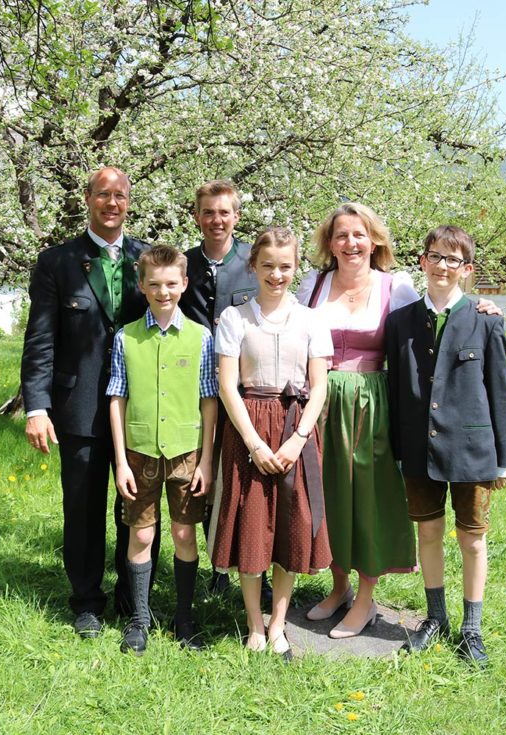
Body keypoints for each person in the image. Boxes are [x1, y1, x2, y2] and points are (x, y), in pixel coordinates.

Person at [21, 167, 159, 637]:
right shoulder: (57, 261)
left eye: (120, 195)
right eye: (104, 194)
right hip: (77, 405)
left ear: (129, 201)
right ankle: (86, 602)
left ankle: (133, 599)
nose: (112, 203)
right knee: (81, 507)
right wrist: (37, 407)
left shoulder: (148, 259)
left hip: (142, 408)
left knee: (136, 505)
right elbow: (41, 340)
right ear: (88, 199)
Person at [385, 225, 506, 667]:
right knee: (429, 532)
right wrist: (399, 451)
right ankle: (435, 618)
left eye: (453, 260)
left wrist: (503, 460)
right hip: (420, 451)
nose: (443, 266)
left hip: (473, 451)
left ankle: (471, 627)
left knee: (473, 540)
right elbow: (396, 389)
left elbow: (500, 393)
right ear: (422, 261)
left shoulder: (486, 320)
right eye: (435, 256)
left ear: (467, 269)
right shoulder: (399, 322)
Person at [296, 202, 419, 638]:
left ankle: (366, 600)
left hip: (372, 404)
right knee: (328, 496)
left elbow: (429, 328)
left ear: (375, 240)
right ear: (330, 243)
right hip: (322, 402)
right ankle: (340, 586)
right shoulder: (312, 285)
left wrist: (478, 307)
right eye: (342, 235)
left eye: (359, 234)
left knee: (368, 498)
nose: (351, 243)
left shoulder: (396, 287)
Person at [211, 227, 333, 660]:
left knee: (288, 527)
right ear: (253, 266)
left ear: (296, 266)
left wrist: (298, 440)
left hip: (294, 430)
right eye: (267, 266)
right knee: (251, 527)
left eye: (285, 266)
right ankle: (253, 624)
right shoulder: (234, 318)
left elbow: (319, 386)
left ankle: (278, 623)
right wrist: (253, 444)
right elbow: (228, 385)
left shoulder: (313, 320)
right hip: (247, 428)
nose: (276, 274)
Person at [107, 245, 218, 655]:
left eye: (172, 283)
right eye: (154, 284)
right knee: (141, 533)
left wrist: (207, 460)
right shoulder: (126, 338)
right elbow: (117, 398)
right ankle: (139, 618)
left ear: (185, 284)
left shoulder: (201, 337)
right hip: (138, 453)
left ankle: (184, 616)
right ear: (141, 285)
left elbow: (210, 401)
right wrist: (120, 461)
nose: (163, 291)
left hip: (188, 452)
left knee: (185, 531)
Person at [179, 180, 271, 602]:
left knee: (249, 477)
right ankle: (217, 565)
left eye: (224, 212)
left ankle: (259, 567)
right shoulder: (183, 264)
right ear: (197, 216)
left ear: (236, 216)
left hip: (248, 387)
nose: (217, 220)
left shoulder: (254, 262)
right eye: (208, 212)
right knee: (205, 473)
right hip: (194, 386)